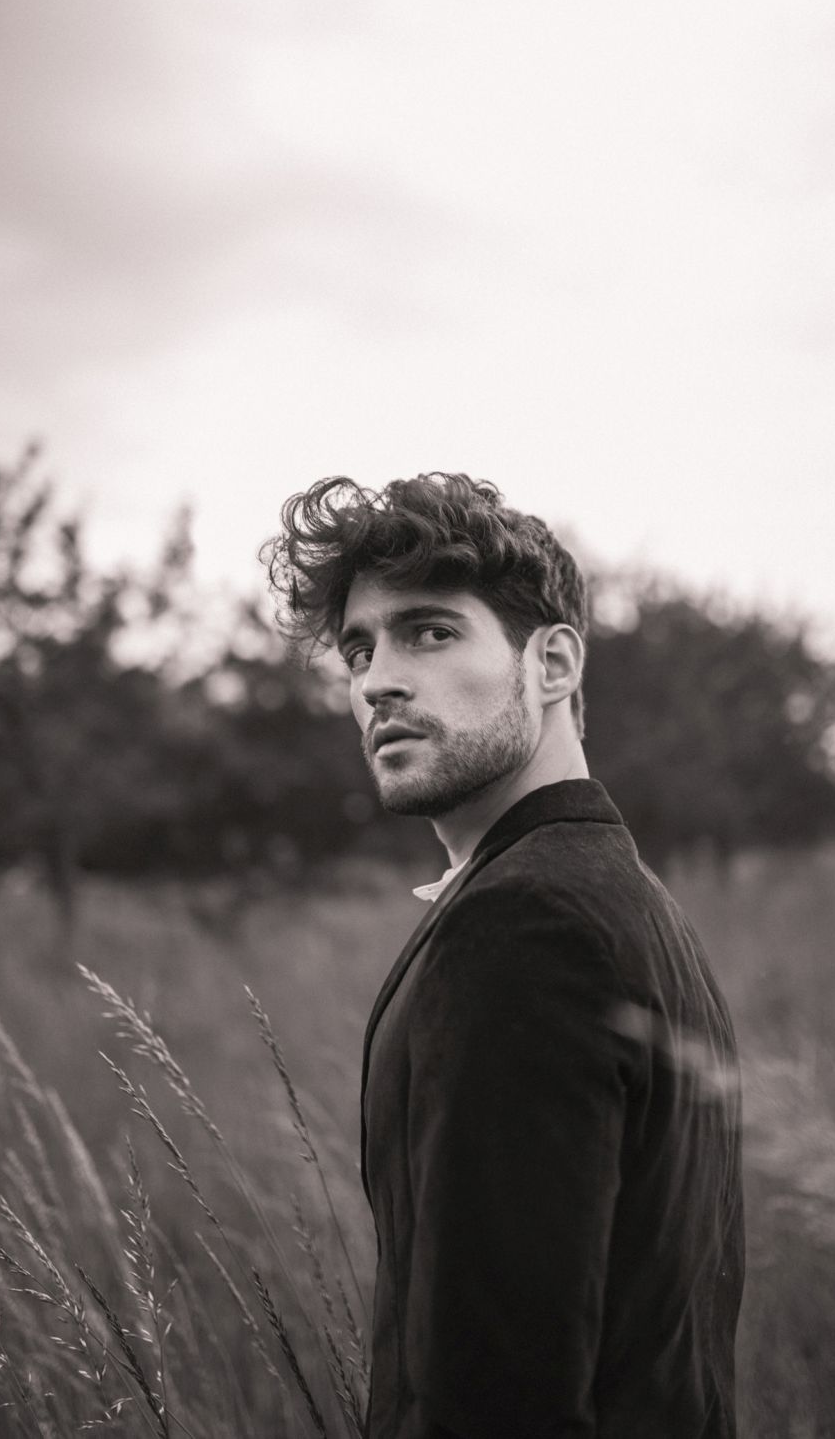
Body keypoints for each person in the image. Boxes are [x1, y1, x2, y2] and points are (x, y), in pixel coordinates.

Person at [263, 473, 744, 1439]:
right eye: (360, 649)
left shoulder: (526, 927)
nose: (377, 681)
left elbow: (496, 1387)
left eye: (430, 632)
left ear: (552, 664)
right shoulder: (627, 900)